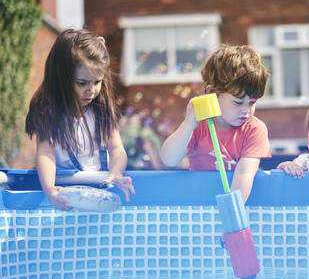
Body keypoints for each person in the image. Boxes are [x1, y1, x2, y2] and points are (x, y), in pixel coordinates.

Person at [25, 29, 135, 211]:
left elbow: (116, 149)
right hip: (66, 194)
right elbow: (45, 153)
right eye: (82, 83)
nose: (91, 90)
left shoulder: (101, 110)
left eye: (97, 82)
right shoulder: (49, 112)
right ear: (61, 78)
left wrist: (116, 172)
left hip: (99, 193)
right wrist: (50, 190)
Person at [160, 44, 271, 202]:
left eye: (252, 102)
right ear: (212, 93)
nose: (246, 110)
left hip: (235, 203)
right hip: (199, 202)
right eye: (238, 103)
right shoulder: (200, 125)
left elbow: (244, 174)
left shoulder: (254, 129)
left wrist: (232, 212)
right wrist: (189, 123)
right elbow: (169, 160)